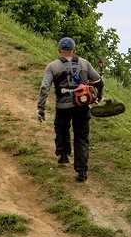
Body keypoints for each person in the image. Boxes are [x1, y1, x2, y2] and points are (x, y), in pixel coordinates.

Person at [37, 37, 103, 183]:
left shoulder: (53, 66)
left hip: (62, 106)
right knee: (81, 137)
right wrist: (99, 97)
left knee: (61, 129)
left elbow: (44, 87)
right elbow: (99, 81)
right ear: (74, 50)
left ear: (59, 50)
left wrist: (40, 108)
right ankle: (82, 171)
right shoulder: (84, 63)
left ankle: (64, 155)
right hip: (82, 106)